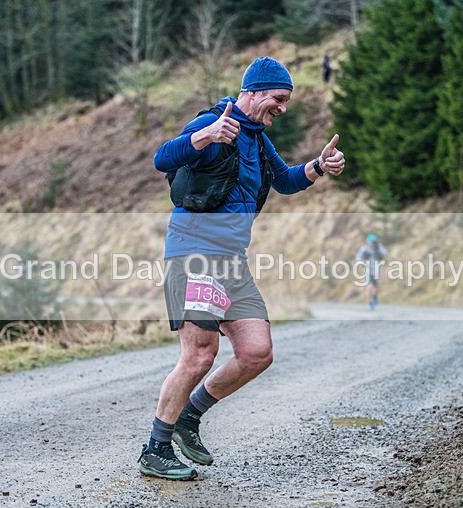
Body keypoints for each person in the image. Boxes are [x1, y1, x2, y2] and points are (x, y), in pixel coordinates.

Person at [138, 56, 346, 480]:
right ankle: (155, 448)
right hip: (195, 254)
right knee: (200, 353)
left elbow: (285, 180)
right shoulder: (216, 122)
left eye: (286, 101)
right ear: (253, 92)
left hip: (232, 262)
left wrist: (319, 167)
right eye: (278, 99)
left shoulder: (257, 139)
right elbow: (162, 158)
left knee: (256, 353)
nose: (282, 108)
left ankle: (189, 418)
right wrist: (205, 136)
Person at [356, 234, 387, 311]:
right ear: (367, 242)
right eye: (370, 242)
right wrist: (362, 262)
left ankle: (375, 297)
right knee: (369, 286)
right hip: (367, 269)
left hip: (377, 269)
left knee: (375, 288)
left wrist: (379, 253)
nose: (371, 244)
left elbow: (385, 253)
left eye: (373, 242)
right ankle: (370, 303)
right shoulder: (364, 248)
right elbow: (358, 257)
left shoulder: (379, 247)